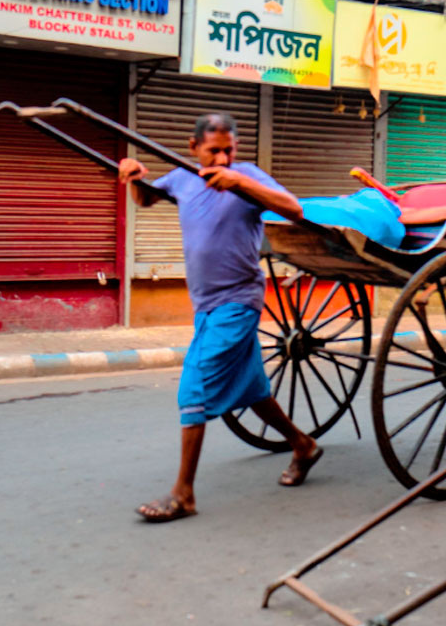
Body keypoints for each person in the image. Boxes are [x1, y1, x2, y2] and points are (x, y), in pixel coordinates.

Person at [118, 112, 321, 523]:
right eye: (214, 151)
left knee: (193, 388)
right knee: (253, 389)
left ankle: (183, 494)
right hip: (205, 304)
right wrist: (133, 176)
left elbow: (294, 209)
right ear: (194, 148)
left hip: (238, 301)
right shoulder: (182, 176)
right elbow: (147, 198)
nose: (223, 159)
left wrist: (240, 183)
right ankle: (303, 445)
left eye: (229, 151)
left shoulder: (247, 176)